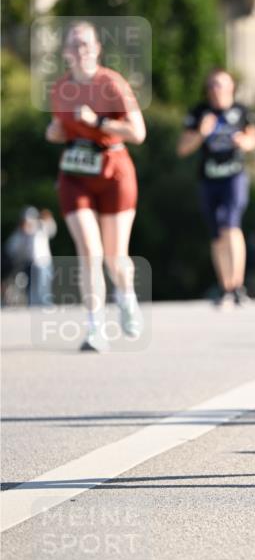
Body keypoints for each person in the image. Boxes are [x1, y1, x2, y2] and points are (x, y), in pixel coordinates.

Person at [45, 21, 146, 351]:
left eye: (86, 44)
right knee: (89, 251)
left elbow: (138, 133)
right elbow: (58, 126)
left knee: (115, 258)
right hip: (75, 174)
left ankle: (126, 296)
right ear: (66, 52)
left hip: (114, 172)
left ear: (98, 49)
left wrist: (98, 122)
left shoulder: (111, 83)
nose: (81, 50)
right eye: (75, 44)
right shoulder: (60, 88)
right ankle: (95, 328)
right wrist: (54, 132)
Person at [177, 69, 255, 307]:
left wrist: (243, 141)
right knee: (216, 233)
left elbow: (253, 140)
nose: (216, 90)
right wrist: (201, 133)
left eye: (221, 85)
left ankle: (237, 286)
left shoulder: (241, 111)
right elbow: (182, 148)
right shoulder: (199, 113)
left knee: (231, 225)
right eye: (212, 85)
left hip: (234, 176)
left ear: (231, 87)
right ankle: (226, 287)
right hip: (209, 178)